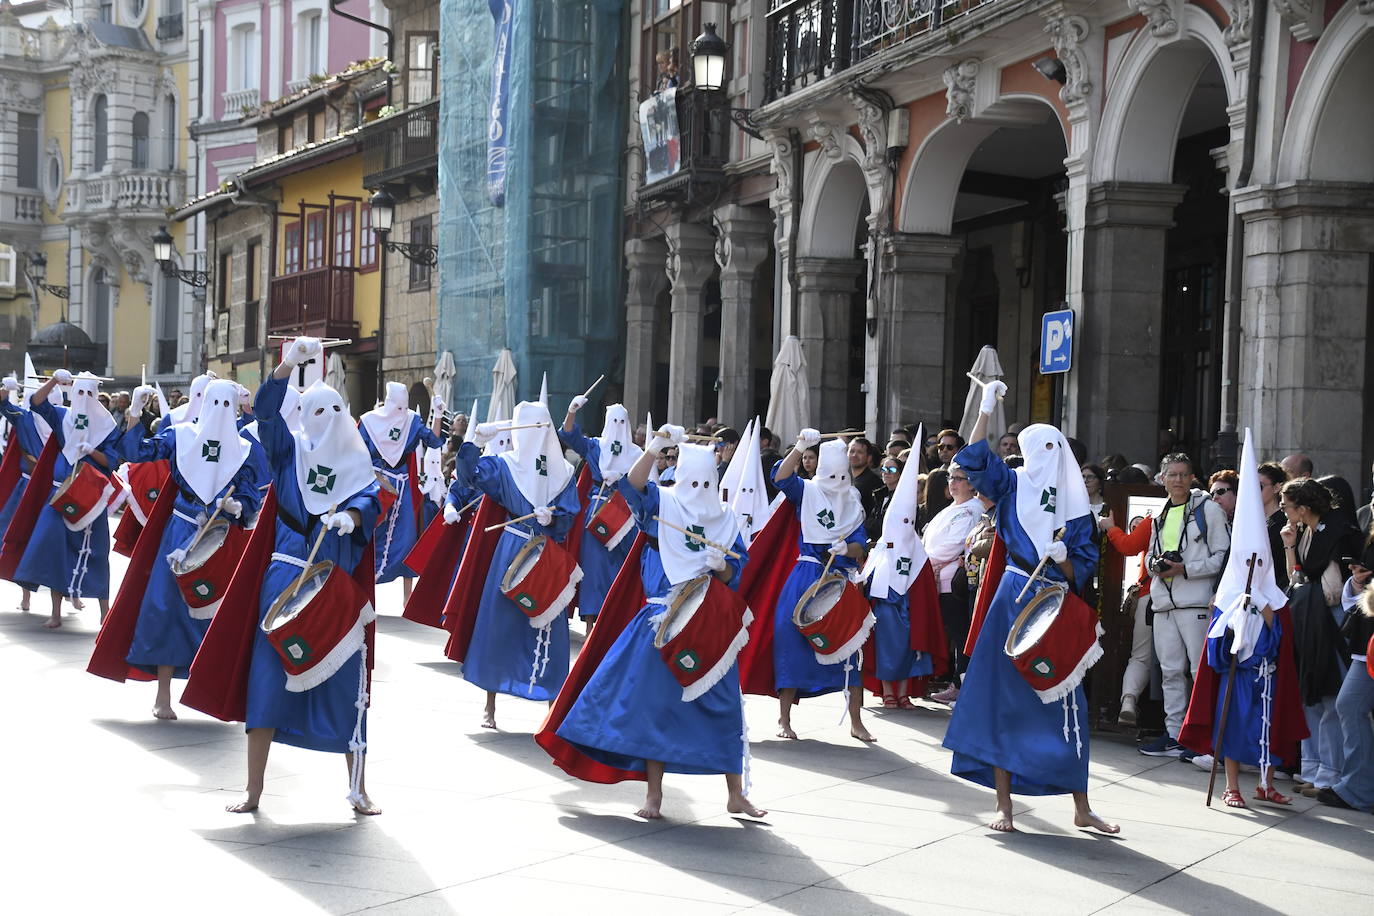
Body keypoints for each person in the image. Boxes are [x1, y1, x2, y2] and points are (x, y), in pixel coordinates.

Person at [194, 338, 384, 814]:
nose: (323, 422)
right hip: (282, 583)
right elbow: (265, 414)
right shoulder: (288, 453)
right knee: (267, 683)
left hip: (334, 587)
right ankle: (253, 790)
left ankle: (358, 788)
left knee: (346, 687)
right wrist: (283, 368)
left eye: (332, 412)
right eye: (315, 413)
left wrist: (354, 518)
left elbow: (371, 501)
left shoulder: (358, 467)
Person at [547, 437, 764, 820]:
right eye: (692, 481)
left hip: (709, 623)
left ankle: (736, 793)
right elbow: (629, 487)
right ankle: (654, 796)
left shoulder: (726, 518)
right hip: (659, 621)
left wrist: (722, 566)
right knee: (653, 710)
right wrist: (652, 449)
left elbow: (737, 571)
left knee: (726, 707)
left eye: (705, 483)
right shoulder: (661, 504)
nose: (699, 490)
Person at [944, 380, 1118, 834]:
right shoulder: (1012, 484)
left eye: (1049, 447)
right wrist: (985, 409)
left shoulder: (1077, 506)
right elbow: (974, 459)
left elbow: (1086, 567)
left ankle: (1081, 805)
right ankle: (1004, 805)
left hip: (1056, 604)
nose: (1043, 455)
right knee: (1004, 701)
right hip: (1013, 597)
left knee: (1068, 700)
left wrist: (1067, 561)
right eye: (1032, 447)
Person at [93, 380, 267, 718]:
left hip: (221, 536)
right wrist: (135, 414)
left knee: (218, 613)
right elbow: (136, 453)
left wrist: (238, 505)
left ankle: (214, 692)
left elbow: (253, 494)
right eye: (214, 402)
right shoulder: (181, 435)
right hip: (179, 530)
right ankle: (163, 695)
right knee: (166, 609)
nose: (220, 410)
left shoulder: (247, 448)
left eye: (226, 404)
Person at [456, 402, 581, 729]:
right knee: (500, 623)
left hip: (547, 551)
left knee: (551, 624)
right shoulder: (505, 466)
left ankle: (554, 706)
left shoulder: (563, 471)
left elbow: (569, 516)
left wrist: (554, 516)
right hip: (512, 547)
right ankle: (490, 704)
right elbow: (469, 477)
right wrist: (476, 443)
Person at [769, 432, 873, 741]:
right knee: (791, 644)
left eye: (841, 475)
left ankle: (856, 720)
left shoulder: (852, 501)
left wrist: (847, 550)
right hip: (806, 575)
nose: (835, 480)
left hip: (839, 580)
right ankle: (784, 719)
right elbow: (780, 476)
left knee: (852, 649)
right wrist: (799, 445)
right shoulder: (807, 491)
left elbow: (860, 546)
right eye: (829, 474)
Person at [5, 370, 123, 628]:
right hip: (59, 493)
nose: (83, 397)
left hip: (92, 496)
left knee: (96, 552)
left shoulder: (107, 426)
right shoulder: (63, 417)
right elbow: (37, 402)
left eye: (88, 392)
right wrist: (55, 381)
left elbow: (112, 461)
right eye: (79, 391)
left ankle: (105, 612)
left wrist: (92, 450)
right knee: (52, 548)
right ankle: (56, 612)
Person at [1137, 453, 1230, 757]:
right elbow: (1150, 554)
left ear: (1192, 478)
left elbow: (1223, 556)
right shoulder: (1161, 512)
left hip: (1195, 602)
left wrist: (1185, 569)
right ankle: (1175, 733)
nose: (1177, 480)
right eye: (1171, 474)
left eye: (1183, 474)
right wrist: (1156, 564)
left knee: (1198, 671)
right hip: (1165, 604)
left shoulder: (1210, 511)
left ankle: (1203, 737)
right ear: (1162, 479)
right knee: (1170, 672)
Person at [1280, 477, 1360, 798]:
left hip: (1332, 620)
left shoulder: (1338, 531)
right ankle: (1312, 768)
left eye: (1287, 506)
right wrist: (1289, 543)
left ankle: (1331, 773)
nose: (1284, 511)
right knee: (1309, 694)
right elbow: (1295, 576)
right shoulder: (1306, 531)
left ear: (1303, 507)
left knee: (1329, 695)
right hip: (1310, 617)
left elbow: (1335, 588)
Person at [862, 454, 941, 707]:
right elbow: (869, 579)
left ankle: (904, 692)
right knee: (885, 647)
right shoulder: (881, 548)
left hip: (909, 608)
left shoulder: (917, 550)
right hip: (886, 608)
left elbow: (924, 581)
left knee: (911, 647)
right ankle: (887, 691)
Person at [358, 381, 445, 601]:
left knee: (405, 540)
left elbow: (434, 441)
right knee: (370, 535)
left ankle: (407, 598)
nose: (401, 410)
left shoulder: (412, 421)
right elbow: (357, 453)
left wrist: (437, 414)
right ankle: (360, 587)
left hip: (402, 486)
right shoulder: (369, 421)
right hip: (373, 484)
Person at [560, 397, 644, 621]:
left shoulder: (637, 454)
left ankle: (617, 623)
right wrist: (572, 411)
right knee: (595, 571)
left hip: (625, 516)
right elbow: (569, 436)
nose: (617, 425)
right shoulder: (595, 446)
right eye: (613, 420)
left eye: (621, 421)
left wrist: (624, 481)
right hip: (597, 512)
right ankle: (590, 627)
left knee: (621, 569)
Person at [922, 464, 982, 704]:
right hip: (935, 575)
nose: (953, 482)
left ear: (971, 483)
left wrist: (925, 561)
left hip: (950, 580)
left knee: (961, 635)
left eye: (959, 478)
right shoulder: (951, 508)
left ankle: (962, 685)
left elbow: (954, 544)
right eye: (951, 478)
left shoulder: (972, 509)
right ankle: (957, 683)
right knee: (955, 635)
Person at [1322, 557, 1374, 811]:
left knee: (1349, 705)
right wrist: (1356, 581)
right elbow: (1354, 601)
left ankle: (1358, 788)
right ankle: (1358, 788)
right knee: (1349, 705)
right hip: (1367, 645)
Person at [1098, 511, 1156, 728]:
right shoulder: (1204, 514)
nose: (1138, 526)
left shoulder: (1155, 519)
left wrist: (1110, 527)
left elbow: (1128, 545)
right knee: (1182, 665)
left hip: (1149, 595)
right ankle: (1178, 727)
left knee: (1140, 657)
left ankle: (1128, 701)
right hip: (1188, 597)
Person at [0, 374, 50, 613]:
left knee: (52, 542)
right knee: (18, 537)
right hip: (27, 488)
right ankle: (26, 596)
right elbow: (3, 405)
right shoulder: (25, 418)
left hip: (52, 490)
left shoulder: (63, 420)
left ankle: (66, 598)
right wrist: (6, 390)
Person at [1258, 461, 1290, 590]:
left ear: (1277, 487)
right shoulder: (1256, 520)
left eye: (1259, 486)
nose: (1253, 490)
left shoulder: (1284, 521)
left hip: (1274, 592)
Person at [863, 455, 902, 544]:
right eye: (884, 469)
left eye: (892, 470)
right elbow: (869, 522)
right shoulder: (879, 496)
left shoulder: (902, 497)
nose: (887, 473)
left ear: (900, 473)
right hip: (876, 545)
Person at [848, 436, 883, 515]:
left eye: (860, 452)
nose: (854, 455)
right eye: (852, 451)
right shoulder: (843, 478)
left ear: (869, 457)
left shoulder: (874, 482)